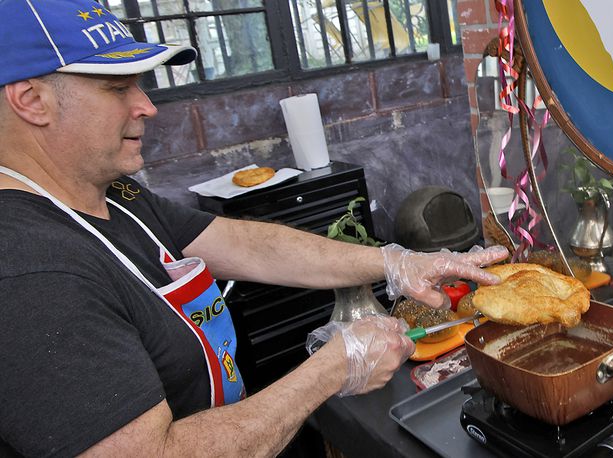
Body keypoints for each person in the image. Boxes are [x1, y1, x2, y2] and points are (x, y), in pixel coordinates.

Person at [0, 0, 509, 456]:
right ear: (31, 100)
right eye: (118, 87)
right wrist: (333, 368)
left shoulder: (114, 195)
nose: (146, 106)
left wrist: (396, 262)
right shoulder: (29, 270)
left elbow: (246, 244)